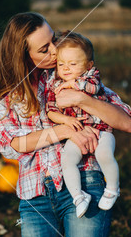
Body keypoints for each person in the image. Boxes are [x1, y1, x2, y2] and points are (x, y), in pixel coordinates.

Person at [0, 12, 131, 237]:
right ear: (23, 56)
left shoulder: (70, 73)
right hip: (34, 199)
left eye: (54, 40)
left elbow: (125, 122)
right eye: (44, 48)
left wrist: (81, 98)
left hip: (84, 185)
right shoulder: (4, 95)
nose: (55, 50)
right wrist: (61, 131)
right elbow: (10, 145)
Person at [46, 31, 120, 218]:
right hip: (76, 131)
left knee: (104, 155)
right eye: (61, 64)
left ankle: (112, 188)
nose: (66, 68)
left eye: (73, 64)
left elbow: (93, 88)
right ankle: (78, 196)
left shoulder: (90, 78)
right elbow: (51, 111)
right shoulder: (56, 84)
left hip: (101, 131)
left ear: (88, 65)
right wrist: (66, 120)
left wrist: (73, 84)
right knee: (67, 160)